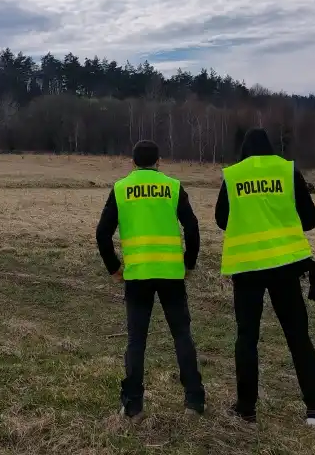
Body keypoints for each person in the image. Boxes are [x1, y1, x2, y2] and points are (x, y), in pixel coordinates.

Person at [215, 127, 315, 427]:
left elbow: (221, 219)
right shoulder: (287, 171)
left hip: (247, 269)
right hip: (285, 267)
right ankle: (314, 409)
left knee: (247, 339)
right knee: (298, 338)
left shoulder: (234, 175)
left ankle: (246, 409)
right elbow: (310, 219)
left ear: (244, 149)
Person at [95, 139, 207, 421]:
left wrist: (113, 268)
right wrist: (189, 262)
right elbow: (192, 228)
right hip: (171, 274)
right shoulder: (172, 187)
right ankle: (194, 401)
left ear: (132, 163)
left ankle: (133, 406)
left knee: (136, 341)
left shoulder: (121, 189)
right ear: (160, 162)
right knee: (182, 336)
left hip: (138, 276)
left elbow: (102, 234)